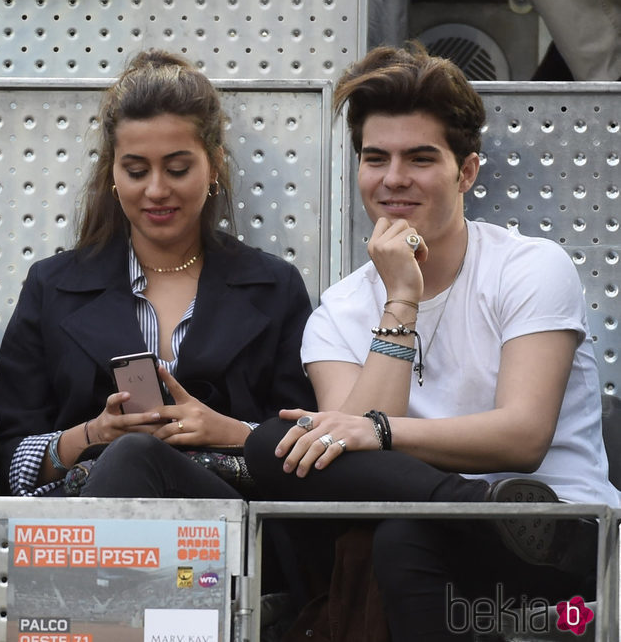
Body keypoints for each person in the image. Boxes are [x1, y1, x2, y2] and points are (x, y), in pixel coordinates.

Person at [243, 43, 619, 640]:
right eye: (376, 158)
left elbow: (522, 437)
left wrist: (381, 431)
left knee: (400, 525)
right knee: (279, 451)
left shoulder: (531, 268)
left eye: (419, 158)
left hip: (562, 534)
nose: (393, 179)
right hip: (437, 523)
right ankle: (475, 506)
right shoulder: (339, 311)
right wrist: (401, 299)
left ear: (466, 170)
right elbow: (349, 459)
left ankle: (481, 510)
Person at [0, 49, 316, 501]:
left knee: (136, 456)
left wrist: (232, 431)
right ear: (113, 176)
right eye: (136, 170)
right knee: (130, 454)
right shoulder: (52, 287)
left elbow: (311, 438)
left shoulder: (273, 288)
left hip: (234, 535)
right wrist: (90, 434)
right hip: (79, 532)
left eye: (178, 169)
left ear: (214, 166)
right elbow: (0, 460)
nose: (157, 190)